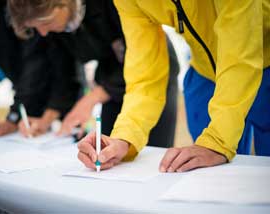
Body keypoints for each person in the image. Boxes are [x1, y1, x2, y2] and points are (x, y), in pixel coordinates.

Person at [74, 0, 270, 172]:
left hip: (264, 59)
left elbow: (240, 48)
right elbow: (145, 74)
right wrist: (123, 138)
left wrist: (217, 141)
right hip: (204, 74)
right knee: (215, 179)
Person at [7, 0, 179, 148]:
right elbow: (65, 73)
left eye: (45, 22)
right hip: (111, 82)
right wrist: (47, 118)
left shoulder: (110, 4)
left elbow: (143, 58)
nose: (43, 32)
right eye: (35, 27)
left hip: (154, 73)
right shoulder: (54, 28)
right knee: (107, 151)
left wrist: (91, 99)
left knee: (149, 155)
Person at [0, 0, 79, 141]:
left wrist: (14, 116)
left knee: (67, 136)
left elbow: (37, 58)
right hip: (25, 90)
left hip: (59, 85)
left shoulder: (20, 5)